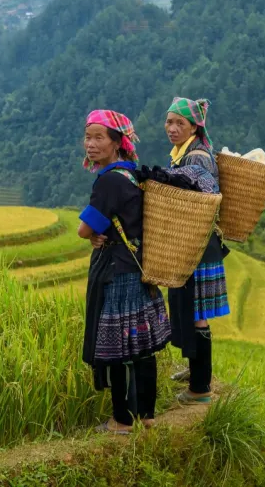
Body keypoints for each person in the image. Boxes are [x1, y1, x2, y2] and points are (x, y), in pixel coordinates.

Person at [78, 109, 172, 434]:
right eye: (88, 137)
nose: (90, 144)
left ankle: (120, 421)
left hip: (118, 276)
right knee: (142, 349)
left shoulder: (108, 181)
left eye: (98, 137)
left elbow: (84, 228)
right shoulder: (131, 175)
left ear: (117, 143)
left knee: (116, 350)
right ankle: (146, 416)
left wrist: (90, 235)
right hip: (139, 271)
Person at [164, 96, 230, 404]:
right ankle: (195, 370)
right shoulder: (182, 154)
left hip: (200, 247)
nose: (172, 128)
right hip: (192, 245)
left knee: (198, 315)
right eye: (169, 121)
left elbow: (205, 202)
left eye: (180, 123)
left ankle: (200, 388)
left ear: (194, 127)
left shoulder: (197, 158)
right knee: (189, 309)